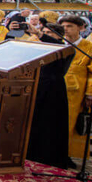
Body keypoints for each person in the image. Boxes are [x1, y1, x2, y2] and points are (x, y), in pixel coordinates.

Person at [24, 22, 74, 169]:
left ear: (59, 36)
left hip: (54, 91)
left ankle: (49, 156)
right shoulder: (40, 48)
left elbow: (56, 46)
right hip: (37, 87)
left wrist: (40, 34)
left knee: (50, 124)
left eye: (50, 33)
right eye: (45, 32)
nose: (46, 35)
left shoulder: (66, 49)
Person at [59, 15, 92, 160]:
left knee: (71, 123)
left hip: (77, 93)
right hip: (56, 89)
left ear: (81, 28)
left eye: (70, 26)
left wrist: (90, 93)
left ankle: (68, 155)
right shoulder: (58, 44)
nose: (66, 30)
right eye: (64, 27)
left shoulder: (88, 47)